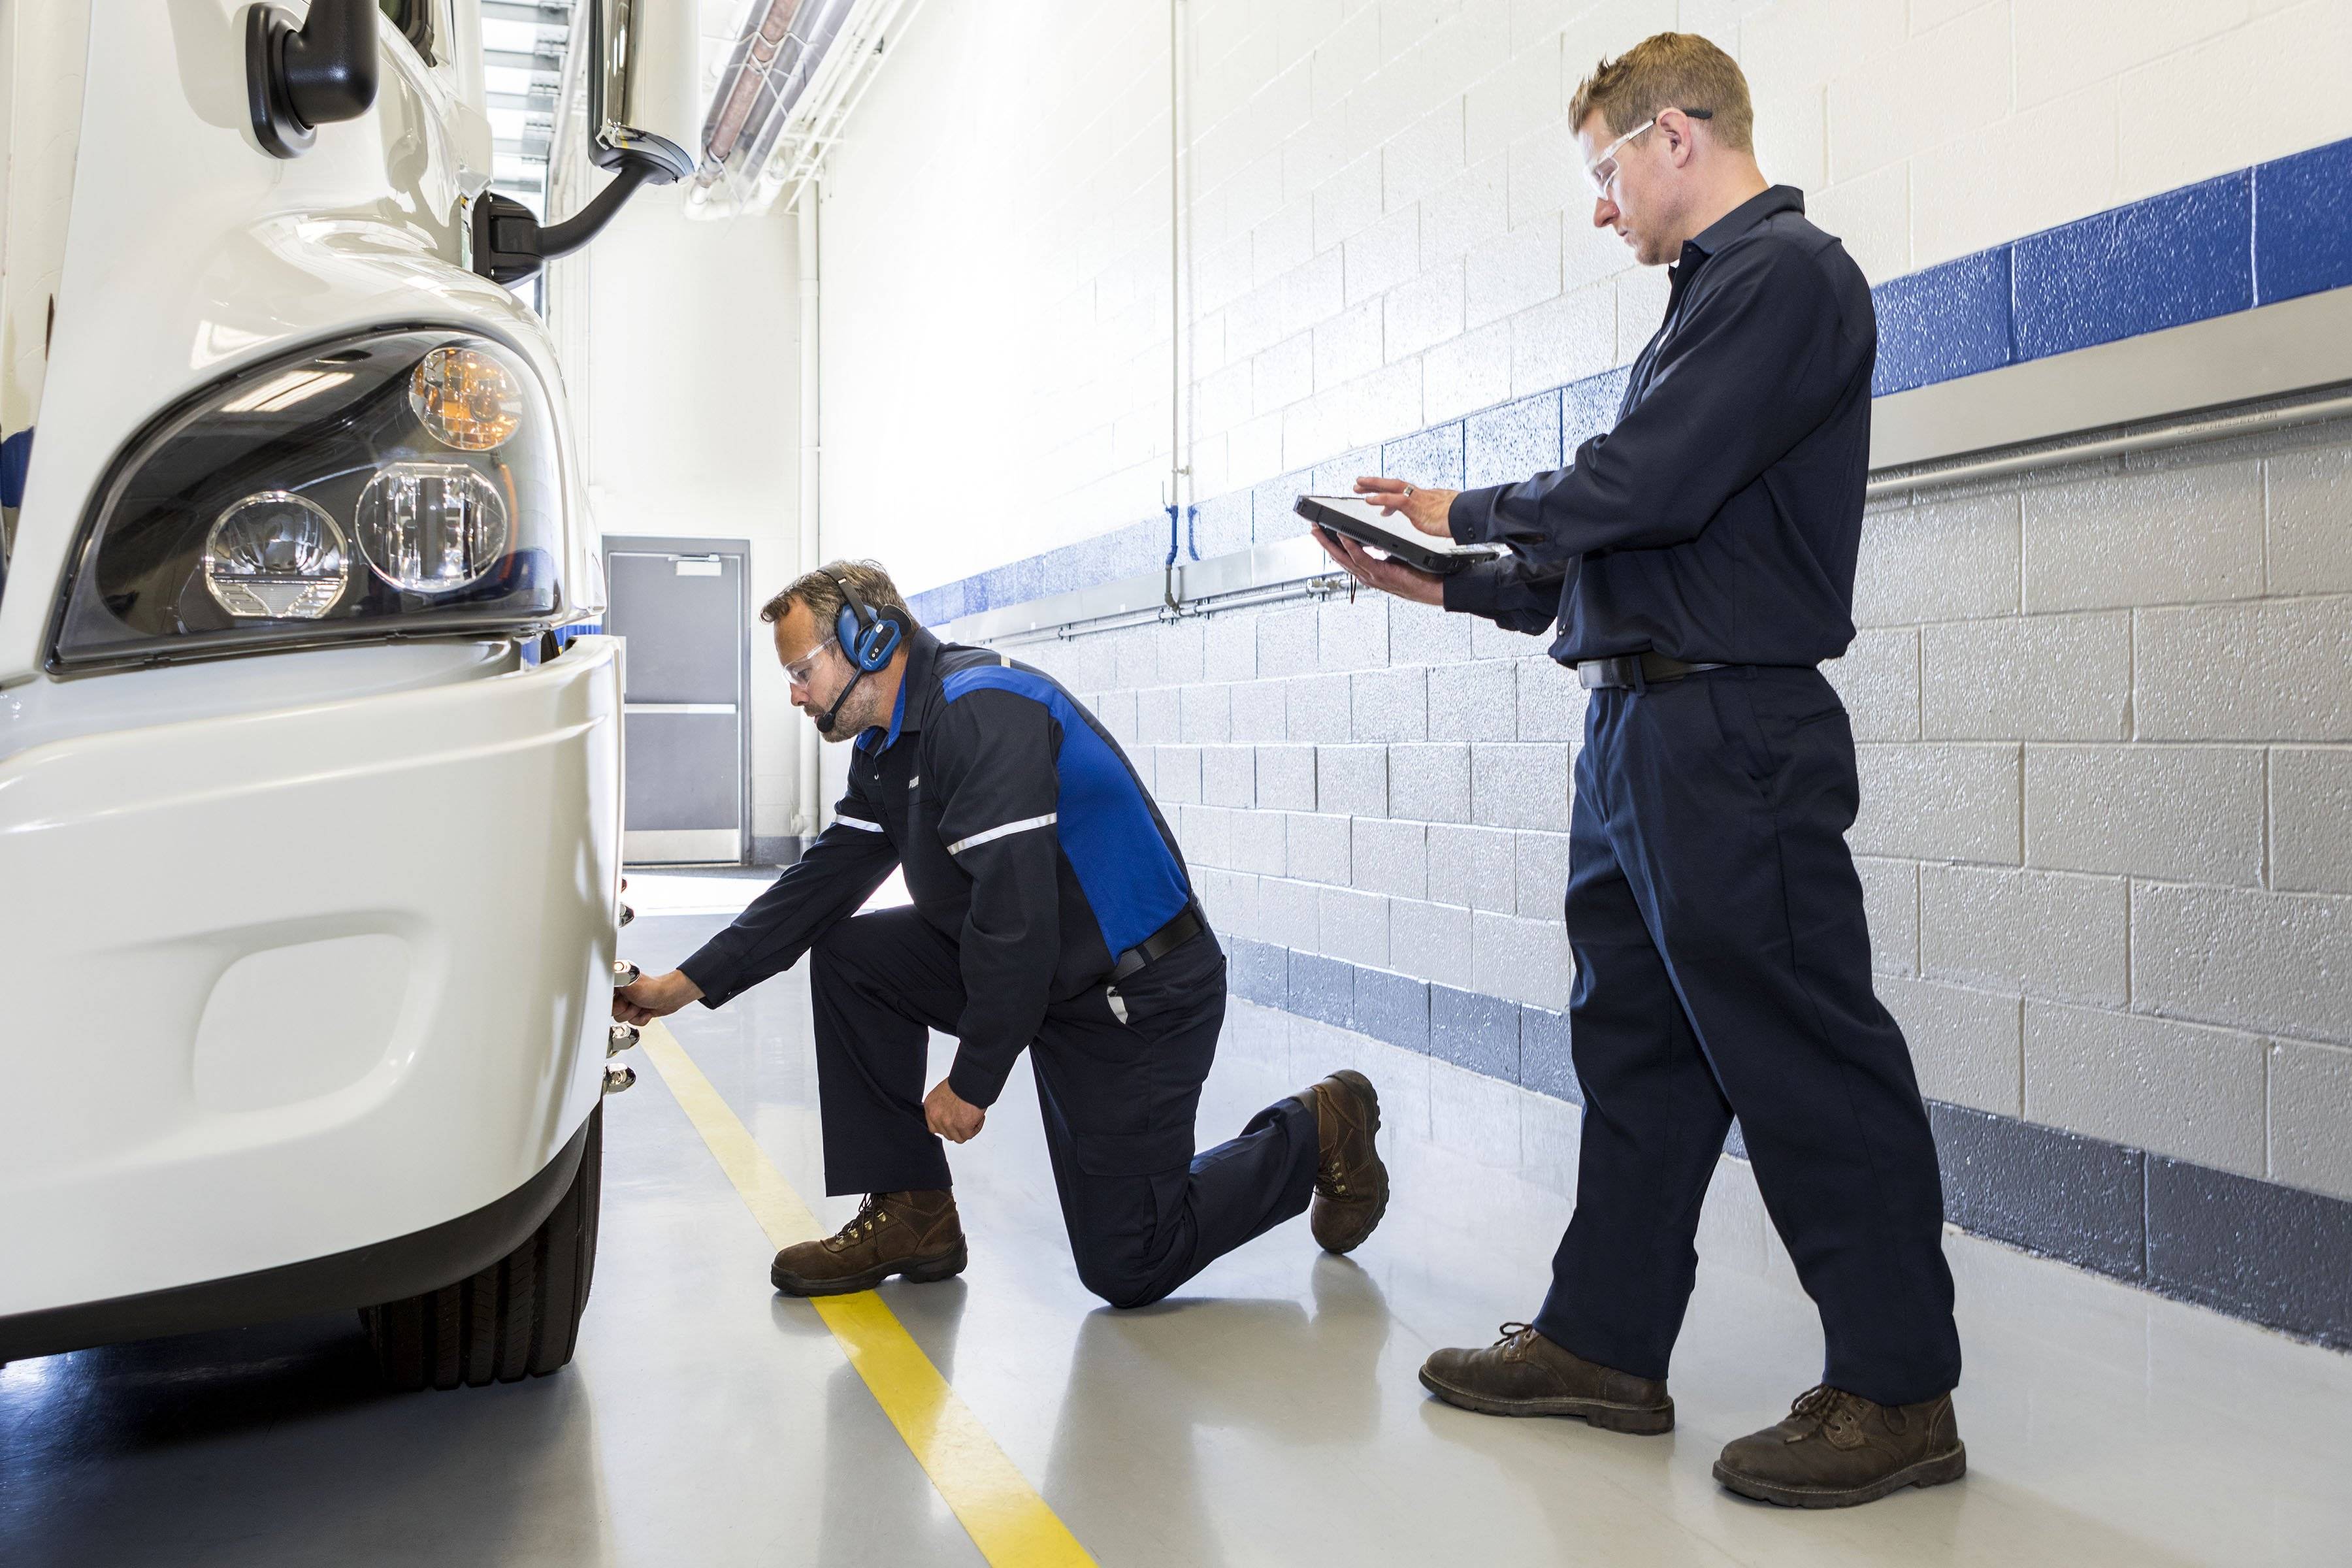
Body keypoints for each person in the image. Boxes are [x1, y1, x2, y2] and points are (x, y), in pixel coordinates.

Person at [1313, 33, 1965, 1509]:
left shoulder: (1786, 276)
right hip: (1639, 726)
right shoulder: (1704, 308)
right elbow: (1641, 550)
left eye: (1606, 171)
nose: (1601, 208)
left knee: (1804, 1051)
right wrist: (1447, 578)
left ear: (1675, 136)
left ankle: (1897, 1382)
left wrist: (1462, 498)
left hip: (1731, 733)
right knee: (1639, 1053)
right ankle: (1605, 1341)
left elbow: (1646, 486)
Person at [613, 561, 1389, 1308]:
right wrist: (683, 985)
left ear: (870, 641)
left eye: (801, 670)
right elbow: (819, 887)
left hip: (1139, 996)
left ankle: (1321, 1125)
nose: (793, 694)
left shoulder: (984, 712)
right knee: (855, 957)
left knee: (1130, 1263)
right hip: (1057, 978)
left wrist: (974, 1079)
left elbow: (1016, 924)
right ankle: (913, 1214)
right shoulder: (889, 747)